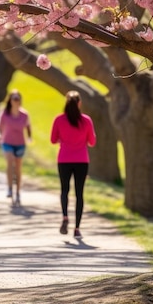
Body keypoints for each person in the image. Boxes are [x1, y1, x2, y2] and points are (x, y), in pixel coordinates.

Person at [50, 90, 96, 240]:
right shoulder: (86, 120)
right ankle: (77, 228)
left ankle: (64, 216)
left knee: (64, 190)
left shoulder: (59, 120)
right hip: (82, 160)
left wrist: (64, 141)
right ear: (80, 103)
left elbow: (53, 139)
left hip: (64, 159)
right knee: (79, 194)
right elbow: (92, 142)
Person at [0, 90, 31, 206]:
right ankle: (10, 188)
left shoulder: (24, 114)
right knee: (10, 162)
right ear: (10, 100)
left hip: (20, 143)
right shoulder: (4, 114)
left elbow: (28, 127)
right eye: (14, 99)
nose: (16, 101)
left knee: (18, 167)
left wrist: (29, 138)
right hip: (7, 142)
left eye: (18, 99)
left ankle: (18, 191)